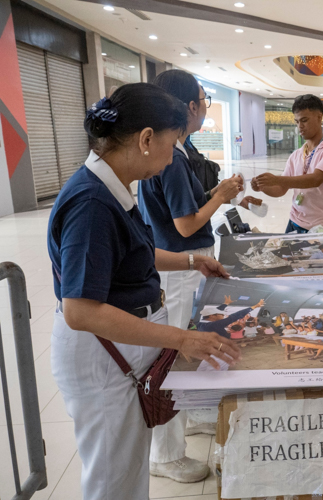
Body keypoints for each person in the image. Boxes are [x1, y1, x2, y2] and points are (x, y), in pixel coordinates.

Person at [48, 84, 241, 500]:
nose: (173, 156)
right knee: (112, 481)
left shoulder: (113, 188)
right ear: (147, 138)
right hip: (102, 355)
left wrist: (191, 261)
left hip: (119, 346)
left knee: (128, 471)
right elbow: (80, 311)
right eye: (172, 144)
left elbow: (135, 252)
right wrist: (181, 338)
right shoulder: (91, 205)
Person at [137, 70, 243, 482]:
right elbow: (184, 224)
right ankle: (165, 453)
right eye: (202, 100)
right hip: (179, 265)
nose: (204, 108)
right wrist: (219, 196)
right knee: (173, 358)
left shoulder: (177, 154)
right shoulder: (172, 159)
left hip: (184, 265)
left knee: (181, 353)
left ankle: (180, 420)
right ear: (188, 108)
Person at [251, 94, 323, 233]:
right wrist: (262, 186)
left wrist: (276, 179)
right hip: (294, 223)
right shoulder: (296, 155)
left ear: (319, 117)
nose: (300, 126)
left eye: (304, 120)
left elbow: (315, 179)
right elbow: (281, 189)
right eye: (297, 121)